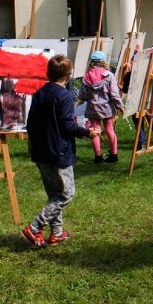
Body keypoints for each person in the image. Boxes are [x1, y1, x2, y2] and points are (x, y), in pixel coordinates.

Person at [22, 54, 100, 248]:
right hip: (58, 152)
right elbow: (67, 125)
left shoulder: (40, 93)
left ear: (48, 73)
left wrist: (33, 144)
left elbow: (30, 123)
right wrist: (87, 133)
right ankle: (34, 227)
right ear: (69, 75)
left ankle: (57, 233)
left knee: (54, 194)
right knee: (66, 194)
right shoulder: (64, 95)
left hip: (41, 151)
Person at [77, 50, 124, 164]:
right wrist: (121, 106)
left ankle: (98, 157)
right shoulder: (108, 75)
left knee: (95, 131)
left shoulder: (87, 76)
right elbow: (114, 94)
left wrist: (82, 100)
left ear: (92, 62)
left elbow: (82, 94)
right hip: (107, 107)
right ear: (103, 61)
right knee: (109, 129)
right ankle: (114, 155)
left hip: (93, 107)